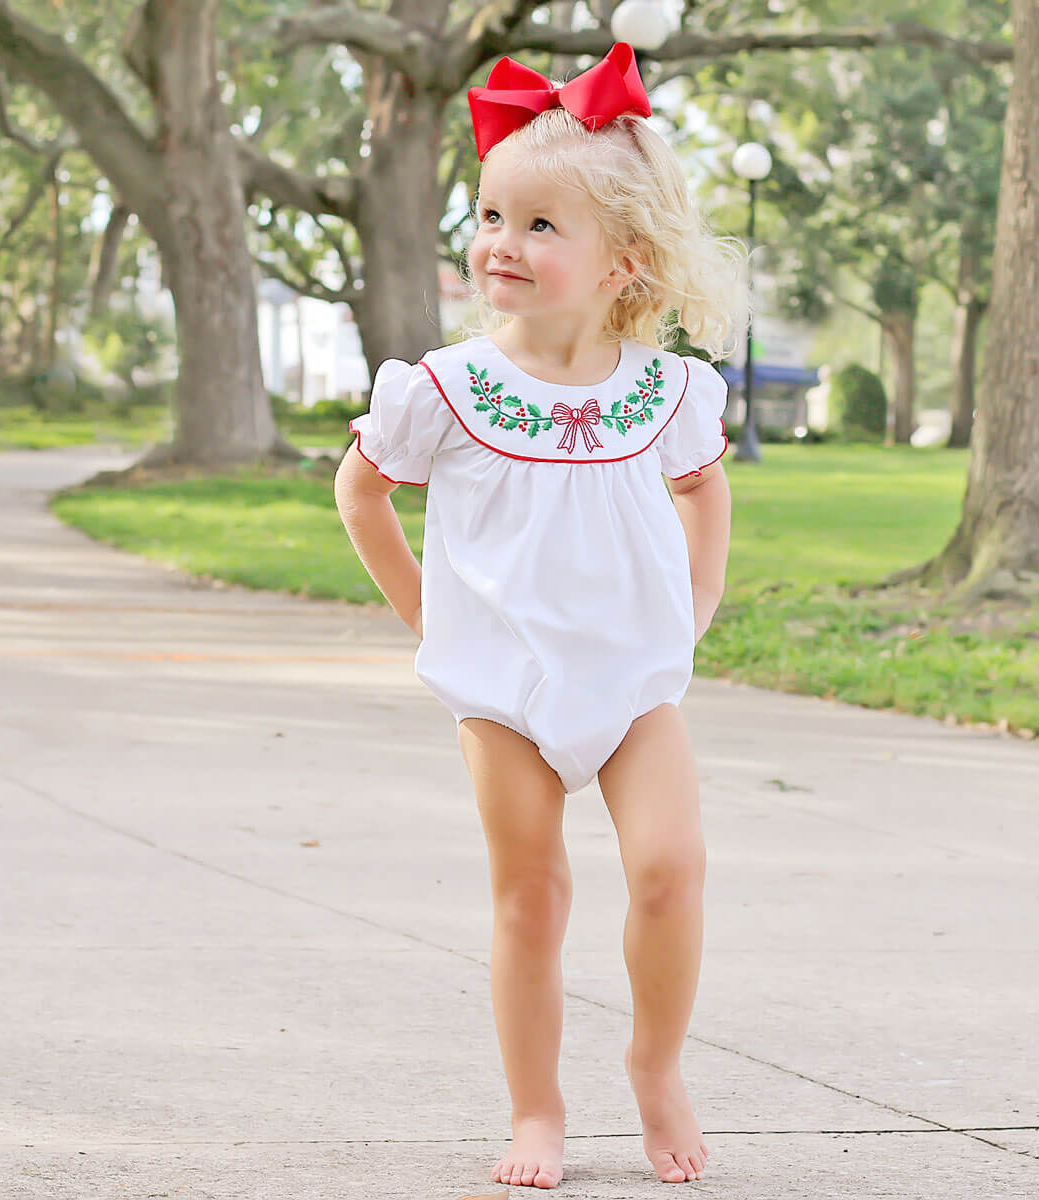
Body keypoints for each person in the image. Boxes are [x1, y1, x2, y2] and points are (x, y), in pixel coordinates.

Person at [334, 42, 747, 1190]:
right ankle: (537, 1114)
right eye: (489, 214)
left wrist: (695, 605)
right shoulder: (450, 388)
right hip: (502, 692)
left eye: (540, 226)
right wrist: (430, 618)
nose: (500, 245)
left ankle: (656, 1064)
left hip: (631, 683)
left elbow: (705, 486)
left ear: (625, 263)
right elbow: (361, 489)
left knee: (671, 869)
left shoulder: (664, 392)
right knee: (533, 893)